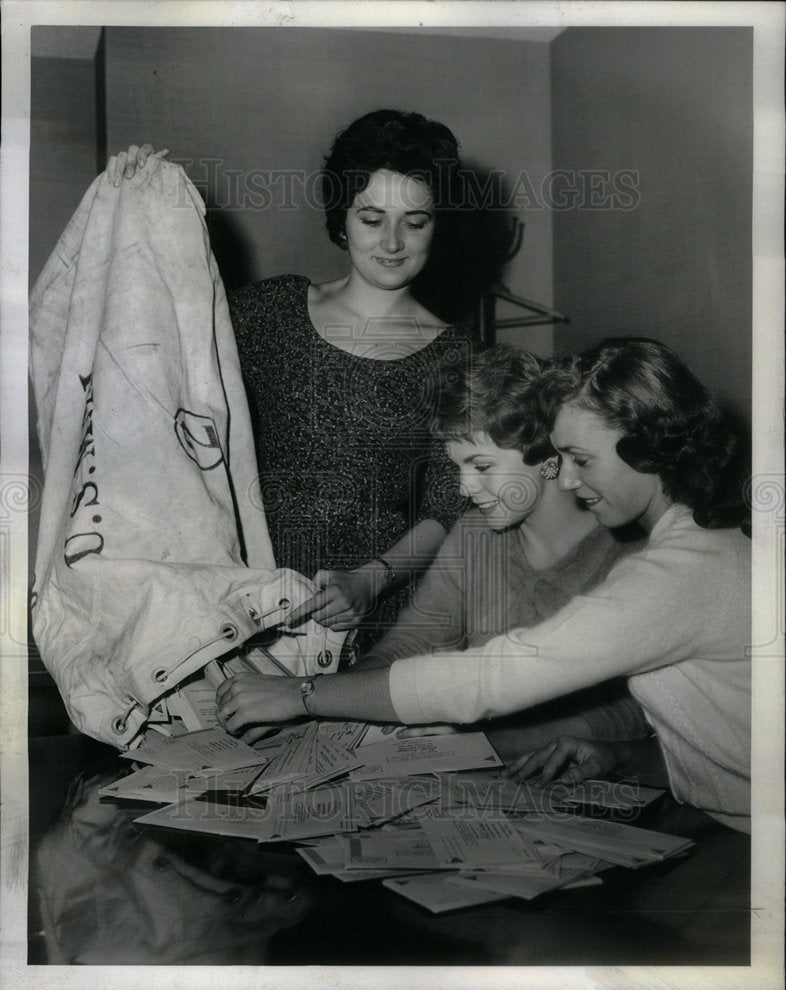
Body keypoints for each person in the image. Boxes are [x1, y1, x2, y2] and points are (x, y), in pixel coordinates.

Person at [216, 337, 751, 833]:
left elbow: (499, 678)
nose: (566, 476)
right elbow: (707, 733)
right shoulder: (689, 541)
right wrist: (334, 715)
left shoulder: (666, 568)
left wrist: (303, 696)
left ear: (648, 448)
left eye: (580, 459)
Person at [109, 110, 476, 655]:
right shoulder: (272, 311)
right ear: (342, 217)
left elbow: (450, 502)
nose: (393, 242)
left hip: (372, 616)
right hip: (244, 599)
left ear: (437, 223)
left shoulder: (458, 356)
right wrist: (138, 199)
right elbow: (164, 343)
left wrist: (372, 579)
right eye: (372, 218)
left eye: (415, 221)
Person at [353, 343, 650, 755]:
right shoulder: (474, 533)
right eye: (457, 466)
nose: (464, 487)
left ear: (547, 455)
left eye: (483, 466)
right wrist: (318, 700)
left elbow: (637, 708)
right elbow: (412, 644)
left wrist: (494, 741)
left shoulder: (631, 552)